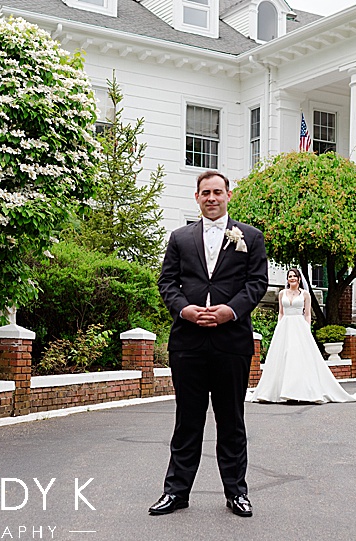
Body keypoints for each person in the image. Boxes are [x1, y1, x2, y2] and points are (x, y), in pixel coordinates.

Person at [150, 170, 268, 518]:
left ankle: (236, 493)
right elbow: (167, 281)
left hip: (232, 342)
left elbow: (257, 283)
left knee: (231, 420)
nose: (212, 198)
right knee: (187, 420)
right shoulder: (179, 238)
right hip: (188, 343)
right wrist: (185, 309)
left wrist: (229, 311)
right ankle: (176, 492)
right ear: (197, 197)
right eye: (206, 193)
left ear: (229, 195)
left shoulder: (251, 236)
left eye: (218, 192)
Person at [247, 268, 356, 404]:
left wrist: (306, 329)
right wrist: (279, 326)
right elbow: (281, 313)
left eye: (294, 276)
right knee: (283, 356)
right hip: (285, 327)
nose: (292, 278)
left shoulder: (305, 294)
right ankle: (276, 392)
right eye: (290, 276)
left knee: (298, 357)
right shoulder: (282, 293)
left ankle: (299, 391)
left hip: (299, 326)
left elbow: (307, 313)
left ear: (299, 279)